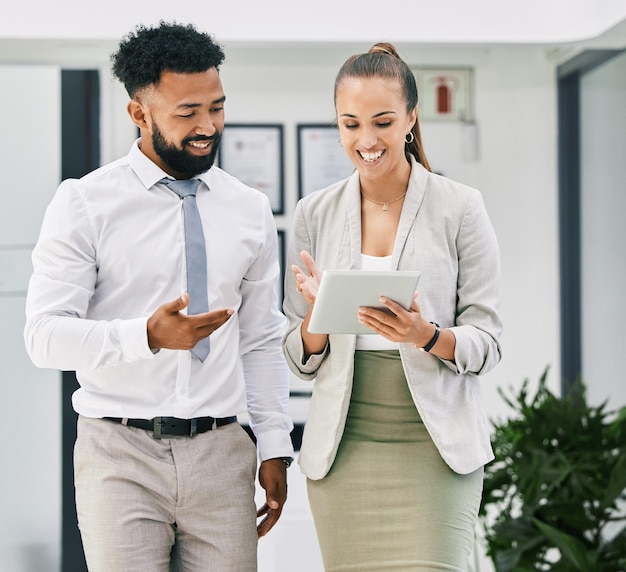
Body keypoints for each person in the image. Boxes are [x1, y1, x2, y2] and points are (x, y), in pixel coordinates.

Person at [24, 21, 294, 572]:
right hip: (119, 453)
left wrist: (272, 443)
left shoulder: (247, 209)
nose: (207, 126)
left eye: (216, 107)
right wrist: (144, 335)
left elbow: (262, 338)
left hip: (222, 450)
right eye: (187, 112)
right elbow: (44, 338)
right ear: (139, 114)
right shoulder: (85, 203)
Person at [283, 42, 502, 571]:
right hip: (345, 446)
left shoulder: (460, 207)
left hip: (434, 448)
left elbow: (488, 341)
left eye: (382, 121)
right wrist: (317, 313)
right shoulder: (314, 213)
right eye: (350, 123)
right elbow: (298, 356)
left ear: (411, 118)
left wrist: (426, 335)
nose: (366, 139)